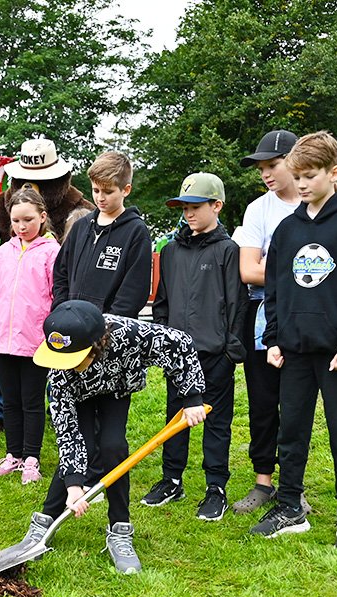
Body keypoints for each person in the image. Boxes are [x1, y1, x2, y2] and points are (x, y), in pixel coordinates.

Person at [252, 131, 337, 555]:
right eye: (298, 176)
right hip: (294, 351)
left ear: (334, 173)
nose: (302, 184)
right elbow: (276, 290)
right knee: (292, 432)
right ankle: (289, 506)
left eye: (310, 176)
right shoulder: (288, 230)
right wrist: (273, 339)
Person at [8, 300, 205, 574]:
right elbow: (68, 431)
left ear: (96, 345)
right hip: (79, 395)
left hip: (116, 388)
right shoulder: (62, 374)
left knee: (114, 446)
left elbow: (179, 343)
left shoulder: (129, 335)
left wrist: (192, 397)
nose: (65, 366)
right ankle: (42, 525)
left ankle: (120, 530)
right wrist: (75, 486)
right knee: (82, 448)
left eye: (73, 359)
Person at [142, 173, 246, 521]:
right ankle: (171, 479)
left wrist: (231, 350)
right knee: (175, 418)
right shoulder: (169, 250)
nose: (188, 214)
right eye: (184, 207)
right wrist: (163, 344)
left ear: (216, 206)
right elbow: (162, 302)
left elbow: (237, 303)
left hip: (215, 354)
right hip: (178, 356)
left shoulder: (227, 251)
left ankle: (215, 486)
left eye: (196, 207)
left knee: (216, 423)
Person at [231, 129, 305, 515]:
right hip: (261, 315)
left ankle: (295, 484)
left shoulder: (315, 207)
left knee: (296, 404)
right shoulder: (258, 209)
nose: (265, 174)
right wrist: (301, 274)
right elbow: (248, 270)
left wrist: (272, 266)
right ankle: (263, 482)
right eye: (261, 168)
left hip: (306, 318)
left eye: (273, 165)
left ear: (296, 161)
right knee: (263, 402)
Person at [0, 188, 59, 485]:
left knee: (31, 401)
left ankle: (32, 456)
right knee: (10, 401)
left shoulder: (52, 252)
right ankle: (12, 454)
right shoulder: (3, 253)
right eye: (16, 221)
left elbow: (56, 298)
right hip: (3, 340)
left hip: (34, 343)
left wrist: (49, 338)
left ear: (42, 217)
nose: (22, 226)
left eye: (28, 219)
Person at [51, 151, 152, 317]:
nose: (100, 198)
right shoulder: (80, 227)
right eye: (95, 190)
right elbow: (61, 274)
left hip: (111, 330)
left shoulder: (136, 231)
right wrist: (62, 309)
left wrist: (109, 324)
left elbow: (134, 289)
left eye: (108, 191)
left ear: (126, 190)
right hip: (72, 324)